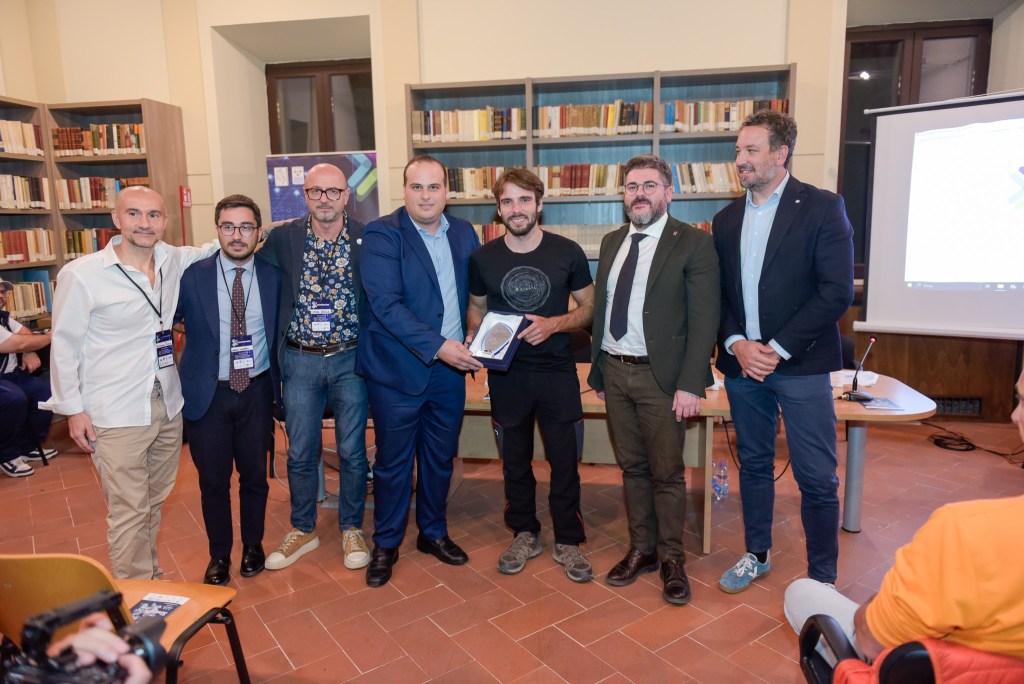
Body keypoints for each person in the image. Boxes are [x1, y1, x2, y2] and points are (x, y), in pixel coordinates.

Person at [783, 370, 1024, 662]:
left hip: (927, 668)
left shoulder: (963, 531)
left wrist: (880, 604)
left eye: (1022, 400)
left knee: (800, 592)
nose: (1014, 415)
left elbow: (873, 641)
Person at [712, 110, 854, 594]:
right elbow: (720, 295)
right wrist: (737, 343)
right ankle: (757, 554)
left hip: (801, 364)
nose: (740, 161)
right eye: (737, 152)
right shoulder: (726, 219)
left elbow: (835, 292)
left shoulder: (821, 207)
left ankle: (822, 579)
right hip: (742, 367)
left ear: (780, 153)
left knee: (816, 476)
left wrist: (775, 348)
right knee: (753, 463)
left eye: (751, 151)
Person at [42, 186, 216, 579]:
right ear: (116, 219)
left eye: (154, 215)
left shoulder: (173, 259)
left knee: (153, 501)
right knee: (128, 509)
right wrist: (73, 410)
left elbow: (214, 246)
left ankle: (148, 578)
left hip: (167, 403)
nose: (144, 223)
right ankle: (134, 599)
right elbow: (64, 347)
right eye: (134, 214)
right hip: (115, 410)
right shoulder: (83, 275)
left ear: (164, 222)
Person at [588, 154, 720, 606]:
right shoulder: (611, 242)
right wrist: (599, 369)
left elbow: (705, 320)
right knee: (632, 469)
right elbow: (604, 310)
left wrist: (690, 383)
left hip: (663, 380)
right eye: (630, 186)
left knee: (667, 474)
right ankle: (642, 549)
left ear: (669, 192)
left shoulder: (693, 244)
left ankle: (672, 559)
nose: (638, 193)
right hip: (616, 372)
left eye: (649, 185)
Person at [357, 155, 482, 588]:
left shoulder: (464, 232)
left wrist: (473, 331)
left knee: (439, 458)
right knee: (393, 463)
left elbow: (472, 293)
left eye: (434, 187)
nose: (426, 196)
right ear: (404, 190)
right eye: (417, 187)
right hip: (397, 370)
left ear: (447, 191)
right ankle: (386, 543)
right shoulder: (381, 234)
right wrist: (441, 347)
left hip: (449, 371)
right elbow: (386, 304)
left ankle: (432, 533)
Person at [466, 168, 595, 583]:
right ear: (498, 209)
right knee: (514, 463)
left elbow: (590, 308)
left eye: (524, 200)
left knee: (564, 462)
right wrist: (474, 335)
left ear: (539, 204)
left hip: (557, 372)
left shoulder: (568, 252)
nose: (516, 209)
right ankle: (525, 532)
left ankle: (568, 539)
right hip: (506, 377)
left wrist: (555, 324)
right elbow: (477, 309)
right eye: (507, 201)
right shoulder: (483, 258)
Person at [256, 163, 370, 572]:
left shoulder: (365, 236)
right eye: (316, 192)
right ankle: (302, 527)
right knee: (301, 451)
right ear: (305, 195)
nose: (325, 199)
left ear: (346, 195)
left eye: (333, 191)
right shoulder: (283, 238)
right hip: (299, 359)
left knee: (353, 450)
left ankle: (352, 526)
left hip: (350, 359)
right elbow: (241, 261)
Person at [176, 194, 282, 585]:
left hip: (256, 391)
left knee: (255, 476)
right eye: (229, 227)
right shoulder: (193, 276)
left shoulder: (274, 276)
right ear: (218, 229)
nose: (237, 236)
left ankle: (253, 545)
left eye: (246, 227)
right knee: (213, 481)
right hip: (208, 395)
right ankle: (219, 554)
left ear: (258, 232)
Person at [0, 277, 55, 478]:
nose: (2, 296)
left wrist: (28, 351)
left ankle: (27, 446)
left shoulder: (4, 318)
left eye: (3, 292)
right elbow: (16, 343)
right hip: (3, 381)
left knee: (45, 394)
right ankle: (7, 455)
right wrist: (50, 336)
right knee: (13, 399)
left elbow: (24, 333)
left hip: (11, 376)